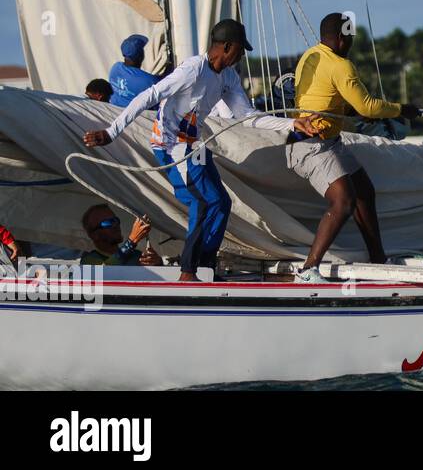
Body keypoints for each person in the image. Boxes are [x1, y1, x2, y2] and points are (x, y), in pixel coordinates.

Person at [82, 19, 316, 281]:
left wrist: (292, 122)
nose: (241, 56)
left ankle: (205, 268)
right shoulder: (193, 69)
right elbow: (149, 96)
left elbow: (247, 116)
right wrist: (111, 132)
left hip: (192, 147)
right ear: (227, 47)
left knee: (221, 203)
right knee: (202, 201)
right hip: (170, 147)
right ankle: (188, 272)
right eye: (240, 50)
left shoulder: (228, 77)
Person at [291, 13, 422, 283]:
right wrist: (401, 109)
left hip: (325, 141)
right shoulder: (342, 65)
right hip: (312, 146)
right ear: (341, 38)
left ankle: (378, 259)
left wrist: (352, 110)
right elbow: (368, 106)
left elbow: (330, 97)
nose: (350, 43)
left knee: (364, 191)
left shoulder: (310, 55)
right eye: (349, 38)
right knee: (344, 201)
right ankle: (308, 270)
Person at [78, 204, 162, 266]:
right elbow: (104, 273)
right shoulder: (88, 260)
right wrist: (131, 242)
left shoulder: (137, 256)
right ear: (94, 235)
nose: (115, 225)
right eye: (107, 223)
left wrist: (158, 263)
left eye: (115, 220)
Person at [108, 34, 163, 107]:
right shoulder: (150, 81)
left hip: (114, 112)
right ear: (142, 56)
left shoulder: (115, 68)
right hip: (139, 117)